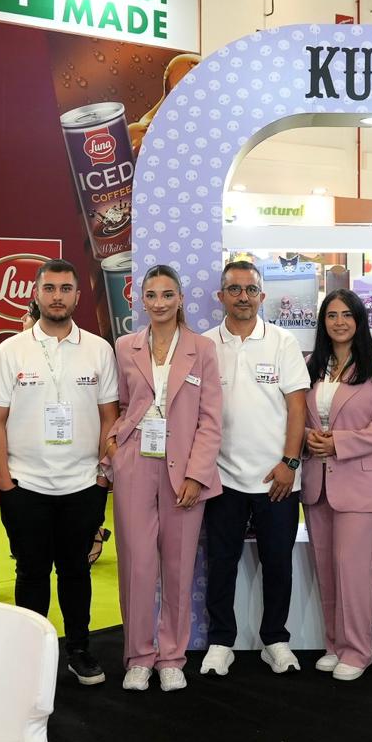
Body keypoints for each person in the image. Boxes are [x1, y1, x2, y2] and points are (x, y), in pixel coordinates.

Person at [0, 259, 118, 687]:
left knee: (76, 572)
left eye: (65, 289)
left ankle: (79, 650)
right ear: (36, 294)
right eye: (49, 288)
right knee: (31, 572)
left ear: (77, 296)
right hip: (26, 484)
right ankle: (30, 657)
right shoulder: (11, 350)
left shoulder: (99, 349)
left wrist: (102, 476)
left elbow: (109, 417)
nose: (57, 296)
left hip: (83, 483)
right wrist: (5, 482)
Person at [104, 264, 223, 693]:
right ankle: (139, 656)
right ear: (141, 300)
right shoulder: (125, 346)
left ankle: (172, 656)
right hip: (136, 460)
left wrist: (198, 474)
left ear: (180, 299)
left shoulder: (202, 348)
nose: (159, 303)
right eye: (151, 295)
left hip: (185, 468)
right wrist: (115, 448)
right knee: (136, 566)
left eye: (167, 295)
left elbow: (210, 419)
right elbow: (121, 404)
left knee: (178, 566)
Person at [200, 261, 311, 677]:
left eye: (250, 289)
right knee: (221, 562)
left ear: (262, 297)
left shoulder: (283, 342)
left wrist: (289, 462)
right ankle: (220, 642)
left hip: (277, 478)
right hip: (222, 477)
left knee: (278, 563)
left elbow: (297, 407)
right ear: (221, 296)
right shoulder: (205, 346)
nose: (243, 296)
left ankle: (275, 639)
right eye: (234, 289)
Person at [302, 288, 372, 681]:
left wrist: (339, 442)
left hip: (360, 483)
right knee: (326, 567)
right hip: (318, 482)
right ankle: (334, 645)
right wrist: (309, 438)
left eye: (347, 314)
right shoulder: (312, 365)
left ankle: (358, 650)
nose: (339, 322)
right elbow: (300, 418)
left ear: (360, 320)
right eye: (331, 315)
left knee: (355, 570)